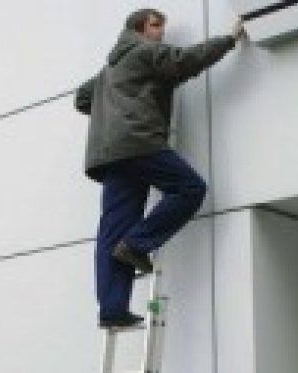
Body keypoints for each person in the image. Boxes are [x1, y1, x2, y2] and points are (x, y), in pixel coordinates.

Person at [75, 8, 246, 328]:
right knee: (190, 188)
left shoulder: (110, 69)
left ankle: (112, 309)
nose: (161, 33)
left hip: (110, 155)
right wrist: (228, 40)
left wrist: (114, 108)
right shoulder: (144, 51)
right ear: (138, 29)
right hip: (137, 142)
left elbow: (82, 98)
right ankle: (137, 244)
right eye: (155, 26)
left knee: (112, 230)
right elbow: (185, 61)